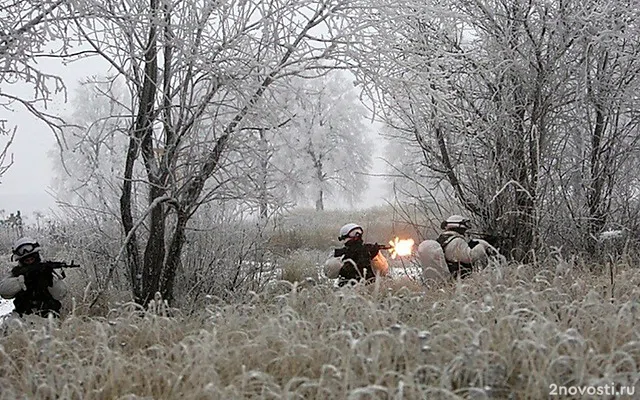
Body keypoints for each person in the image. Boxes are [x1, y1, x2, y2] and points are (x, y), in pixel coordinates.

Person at [0, 237, 68, 318]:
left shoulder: (46, 270)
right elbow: (4, 292)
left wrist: (49, 279)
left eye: (32, 259)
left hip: (48, 316)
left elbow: (61, 294)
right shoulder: (16, 272)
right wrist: (22, 280)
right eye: (26, 261)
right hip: (22, 316)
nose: (30, 262)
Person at [417, 215, 496, 281]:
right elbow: (470, 257)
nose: (465, 230)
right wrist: (482, 245)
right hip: (460, 281)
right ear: (458, 226)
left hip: (451, 281)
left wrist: (472, 244)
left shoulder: (444, 239)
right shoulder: (457, 241)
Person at [324, 223, 389, 287]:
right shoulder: (341, 254)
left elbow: (383, 271)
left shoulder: (370, 250)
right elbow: (329, 273)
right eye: (354, 233)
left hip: (367, 290)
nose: (357, 237)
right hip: (349, 292)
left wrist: (373, 256)